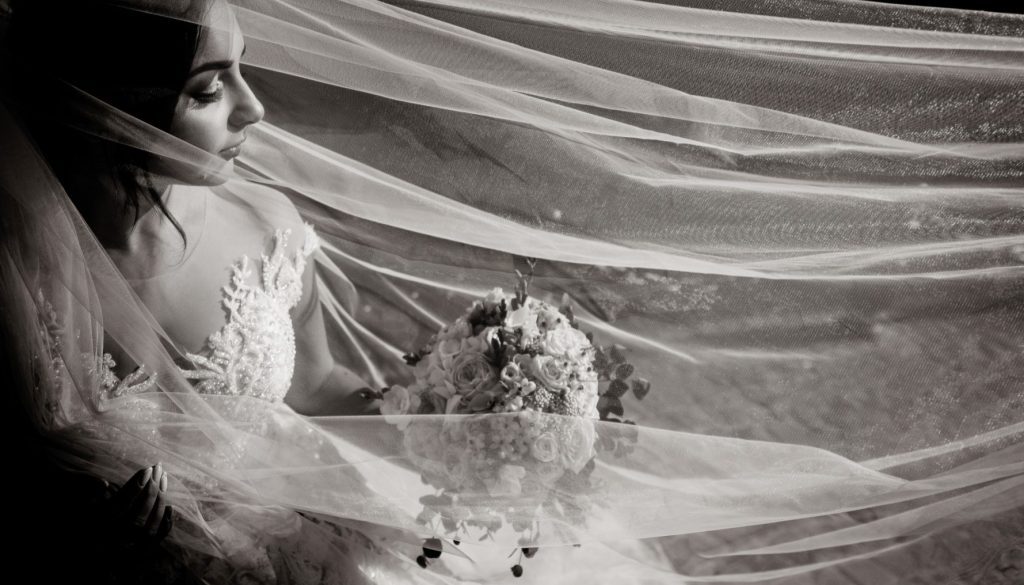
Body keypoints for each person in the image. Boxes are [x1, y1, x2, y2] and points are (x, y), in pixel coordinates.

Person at [1, 0, 1021, 584]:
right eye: (207, 90)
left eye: (244, 70)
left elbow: (314, 390)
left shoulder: (259, 223)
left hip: (321, 524)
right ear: (103, 105)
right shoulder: (19, 293)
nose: (257, 111)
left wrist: (461, 407)